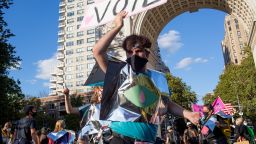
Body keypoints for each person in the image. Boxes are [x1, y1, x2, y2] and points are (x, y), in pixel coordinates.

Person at [92, 11, 200, 143]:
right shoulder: (120, 71)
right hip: (122, 138)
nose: (133, 55)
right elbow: (97, 51)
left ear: (147, 54)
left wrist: (189, 114)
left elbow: (167, 104)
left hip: (148, 139)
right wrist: (117, 26)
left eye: (137, 51)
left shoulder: (158, 78)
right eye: (129, 52)